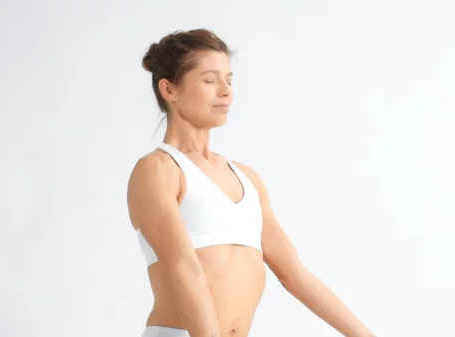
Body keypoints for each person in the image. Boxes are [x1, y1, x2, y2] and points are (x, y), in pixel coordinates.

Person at [127, 28, 375, 337]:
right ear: (169, 90)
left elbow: (295, 275)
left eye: (229, 80)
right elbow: (185, 270)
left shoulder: (247, 178)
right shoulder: (158, 170)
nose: (226, 92)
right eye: (209, 80)